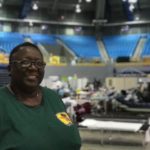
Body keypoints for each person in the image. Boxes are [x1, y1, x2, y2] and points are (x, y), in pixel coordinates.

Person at [0, 42, 81, 150]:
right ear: (10, 68)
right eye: (25, 62)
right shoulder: (3, 101)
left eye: (39, 63)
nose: (33, 68)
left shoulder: (53, 97)